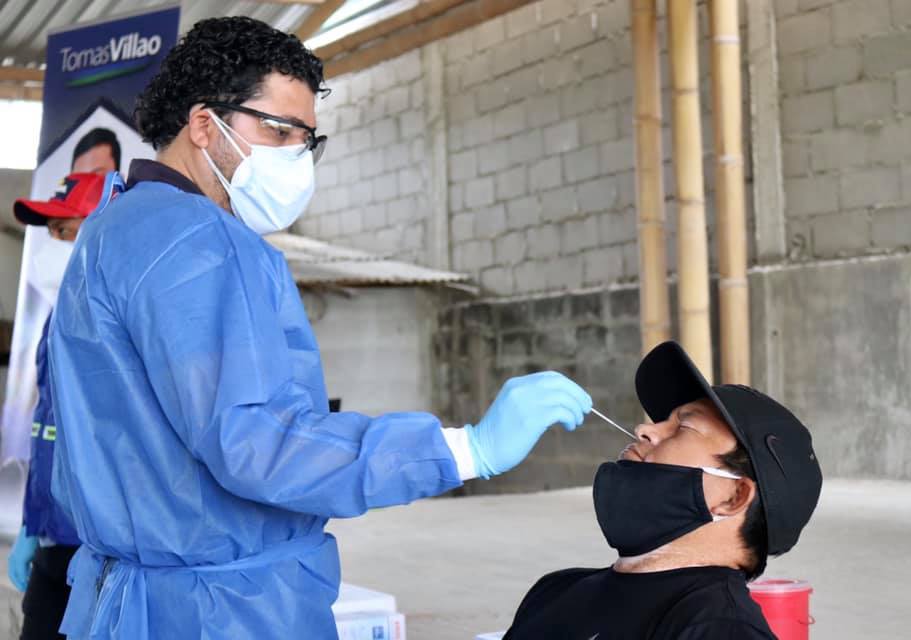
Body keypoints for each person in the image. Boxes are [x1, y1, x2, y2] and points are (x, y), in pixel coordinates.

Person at [46, 16, 593, 640]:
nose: (295, 157)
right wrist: (462, 450)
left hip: (127, 599)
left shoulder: (112, 228)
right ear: (204, 125)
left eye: (306, 139)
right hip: (219, 612)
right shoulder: (203, 242)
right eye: (278, 131)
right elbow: (256, 444)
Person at [504, 341, 823, 639]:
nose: (644, 429)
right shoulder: (554, 590)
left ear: (733, 497)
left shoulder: (720, 628)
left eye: (683, 427)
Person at [7, 174, 107, 640]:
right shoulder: (57, 316)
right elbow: (49, 430)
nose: (50, 244)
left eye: (63, 231)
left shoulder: (115, 323)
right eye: (48, 231)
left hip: (98, 549)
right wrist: (33, 524)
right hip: (54, 539)